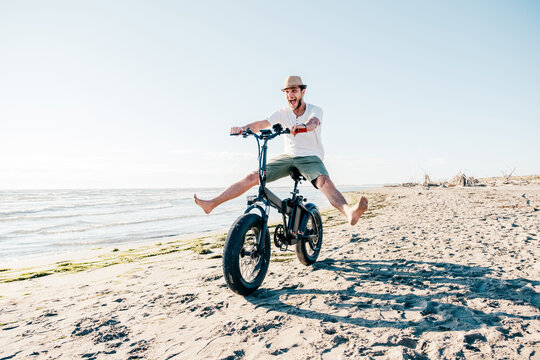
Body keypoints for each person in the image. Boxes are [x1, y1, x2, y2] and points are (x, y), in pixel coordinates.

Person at [194, 76, 368, 225]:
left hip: (310, 157)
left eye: (293, 90)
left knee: (324, 182)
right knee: (253, 177)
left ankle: (349, 212)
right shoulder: (282, 113)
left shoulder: (315, 110)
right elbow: (261, 124)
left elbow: (313, 123)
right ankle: (212, 204)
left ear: (302, 92)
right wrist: (242, 128)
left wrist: (302, 126)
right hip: (287, 156)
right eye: (287, 92)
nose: (290, 95)